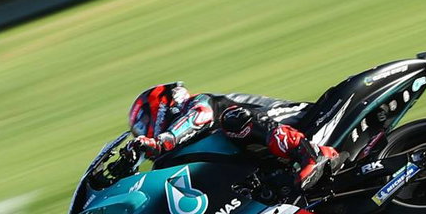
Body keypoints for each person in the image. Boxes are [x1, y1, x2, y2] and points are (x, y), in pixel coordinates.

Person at [125, 83, 342, 192]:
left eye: (143, 125)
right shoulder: (185, 147)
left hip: (298, 118)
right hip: (270, 159)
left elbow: (200, 116)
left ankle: (310, 153)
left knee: (233, 119)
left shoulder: (198, 104)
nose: (142, 133)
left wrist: (159, 142)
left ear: (161, 106)